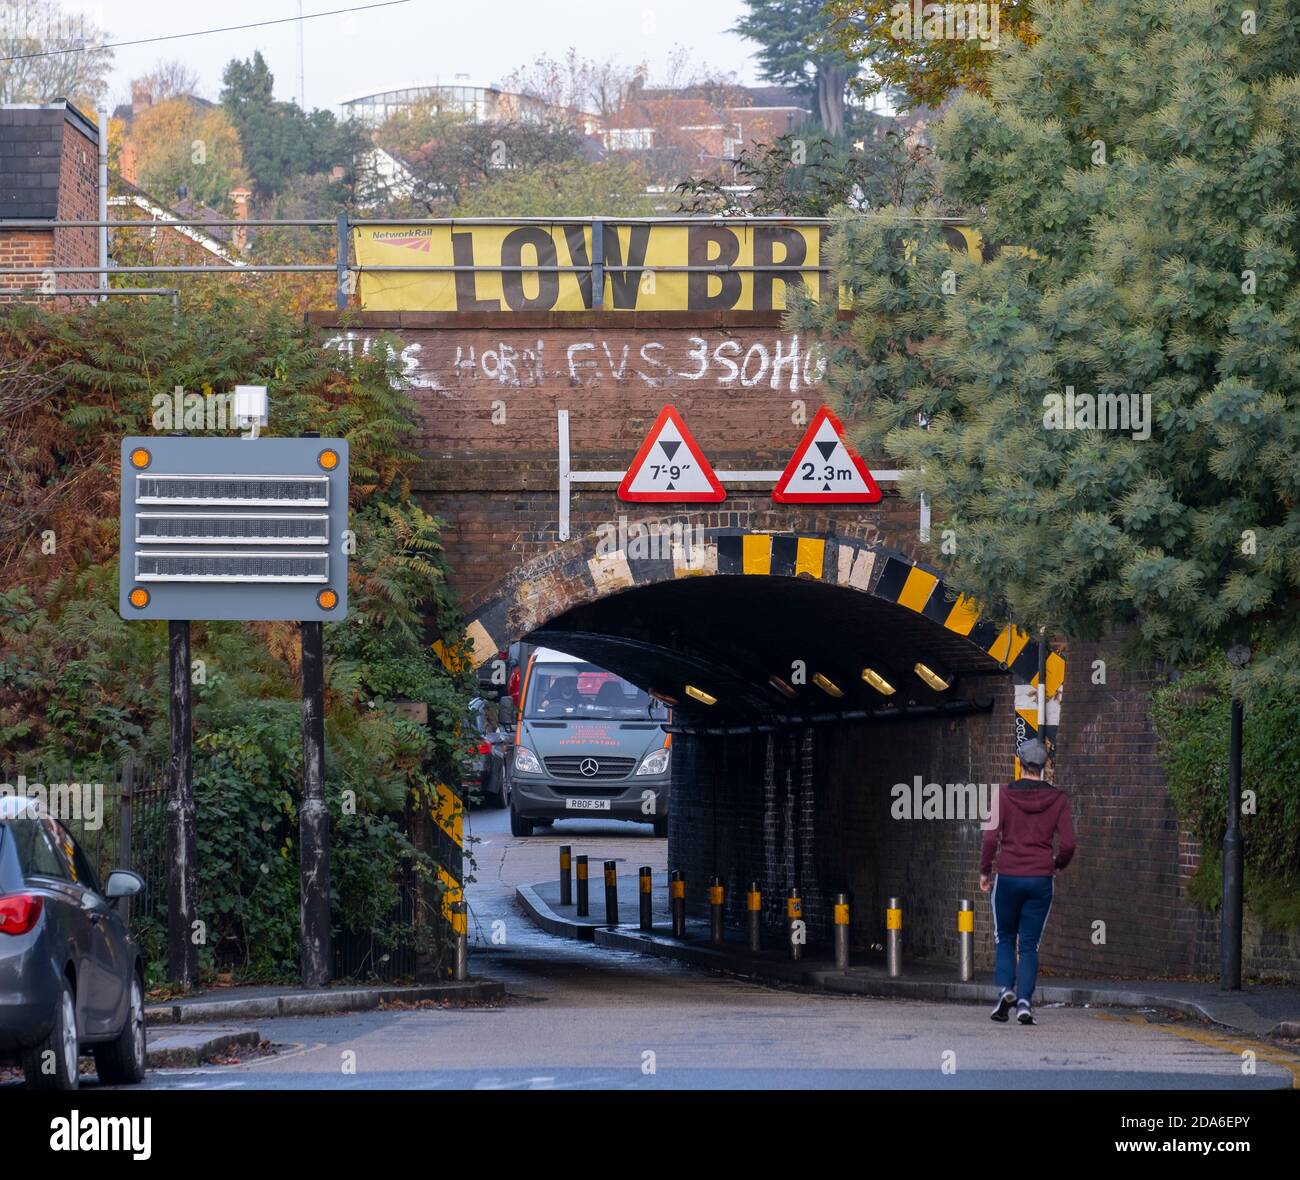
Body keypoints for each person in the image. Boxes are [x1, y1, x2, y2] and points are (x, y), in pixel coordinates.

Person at [979, 738, 1075, 1026]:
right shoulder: (1058, 799)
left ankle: (1006, 989)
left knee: (1005, 936)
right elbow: (1069, 843)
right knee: (1029, 945)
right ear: (1045, 766)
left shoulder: (1003, 795)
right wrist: (1056, 864)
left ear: (1019, 763)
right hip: (1040, 879)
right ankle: (1023, 1003)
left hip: (1008, 877)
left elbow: (988, 838)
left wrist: (985, 871)